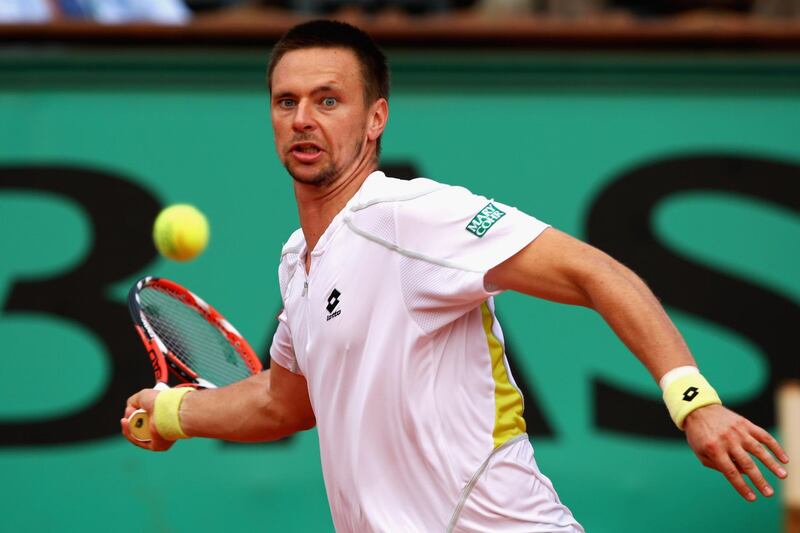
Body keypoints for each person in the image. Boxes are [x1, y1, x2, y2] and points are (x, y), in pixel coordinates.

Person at [121, 19, 789, 533]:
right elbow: (286, 401)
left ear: (375, 118)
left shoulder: (414, 215)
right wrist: (177, 411)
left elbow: (595, 271)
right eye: (286, 101)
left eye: (329, 100)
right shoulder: (298, 256)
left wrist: (693, 401)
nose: (303, 119)